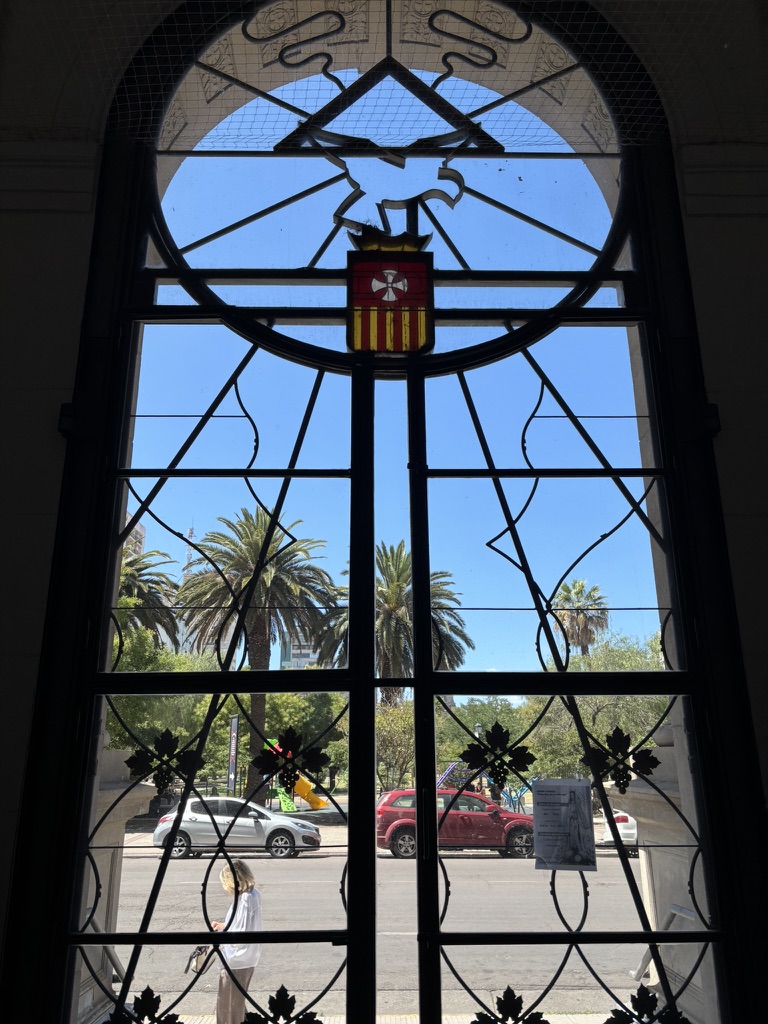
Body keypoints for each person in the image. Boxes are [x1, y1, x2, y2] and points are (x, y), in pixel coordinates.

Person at [211, 859, 262, 1024]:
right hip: (246, 958)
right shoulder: (252, 895)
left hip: (237, 959)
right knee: (235, 1003)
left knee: (228, 1006)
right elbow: (243, 924)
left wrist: (223, 933)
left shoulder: (245, 898)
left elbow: (241, 932)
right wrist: (223, 926)